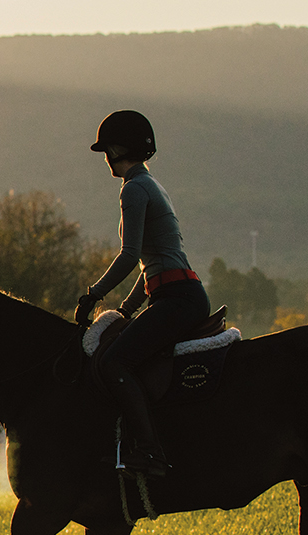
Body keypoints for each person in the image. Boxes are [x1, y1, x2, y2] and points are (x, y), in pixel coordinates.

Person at [73, 110, 209, 477]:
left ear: (119, 149)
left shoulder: (133, 189)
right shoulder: (152, 184)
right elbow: (153, 262)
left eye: (107, 150)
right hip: (179, 292)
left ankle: (150, 451)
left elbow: (130, 255)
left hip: (176, 298)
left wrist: (92, 295)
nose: (106, 159)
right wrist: (127, 307)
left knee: (114, 363)